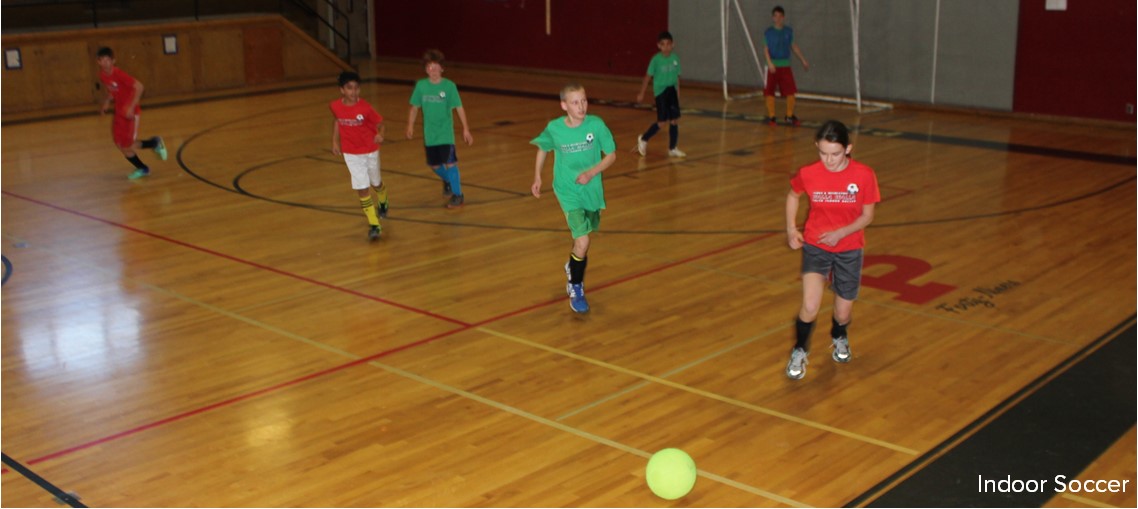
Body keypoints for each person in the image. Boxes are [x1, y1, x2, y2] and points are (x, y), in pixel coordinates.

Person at [784, 120, 879, 380]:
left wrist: (841, 233)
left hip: (849, 249)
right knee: (810, 305)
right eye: (823, 153)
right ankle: (800, 349)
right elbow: (794, 195)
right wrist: (792, 229)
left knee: (843, 312)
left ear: (848, 148)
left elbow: (867, 215)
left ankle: (839, 336)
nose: (829, 160)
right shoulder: (809, 172)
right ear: (817, 147)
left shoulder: (863, 175)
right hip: (816, 246)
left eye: (835, 154)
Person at [531, 83, 617, 313]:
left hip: (591, 189)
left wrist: (591, 172)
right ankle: (576, 287)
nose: (581, 106)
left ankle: (572, 265)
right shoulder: (555, 128)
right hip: (567, 190)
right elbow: (543, 148)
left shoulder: (596, 125)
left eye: (584, 100)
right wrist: (537, 176)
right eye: (575, 102)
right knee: (583, 241)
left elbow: (611, 155)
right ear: (564, 105)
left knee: (583, 241)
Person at [405, 49, 474, 209]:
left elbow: (459, 107)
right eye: (430, 68)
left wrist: (466, 129)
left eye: (436, 67)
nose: (433, 71)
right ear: (425, 69)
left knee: (450, 163)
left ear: (442, 68)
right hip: (430, 135)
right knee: (434, 165)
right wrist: (410, 125)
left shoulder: (449, 86)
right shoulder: (421, 86)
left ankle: (458, 195)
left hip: (445, 134)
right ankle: (448, 180)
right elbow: (414, 108)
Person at [330, 71, 388, 241]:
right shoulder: (335, 106)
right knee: (362, 187)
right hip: (351, 153)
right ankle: (374, 224)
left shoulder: (365, 108)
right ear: (342, 90)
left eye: (356, 88)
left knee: (375, 182)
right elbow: (337, 121)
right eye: (349, 88)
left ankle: (383, 197)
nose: (353, 92)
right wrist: (335, 141)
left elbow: (381, 124)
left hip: (370, 150)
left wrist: (380, 134)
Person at [96, 47, 166, 180]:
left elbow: (139, 86)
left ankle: (148, 157)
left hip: (131, 114)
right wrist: (106, 102)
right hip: (119, 112)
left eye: (108, 60)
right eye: (102, 60)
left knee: (127, 145)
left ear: (113, 61)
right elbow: (112, 89)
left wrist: (130, 107)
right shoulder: (103, 75)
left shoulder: (119, 73)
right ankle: (151, 149)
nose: (105, 63)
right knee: (120, 144)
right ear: (98, 62)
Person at [635, 31, 686, 158]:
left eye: (668, 44)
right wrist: (641, 93)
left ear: (673, 45)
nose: (666, 47)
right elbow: (647, 77)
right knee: (662, 122)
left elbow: (677, 77)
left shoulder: (675, 59)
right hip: (661, 92)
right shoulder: (656, 60)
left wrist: (677, 92)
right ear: (659, 46)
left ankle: (672, 148)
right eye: (663, 44)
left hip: (672, 91)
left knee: (674, 120)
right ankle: (644, 139)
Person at [763, 6, 810, 127]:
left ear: (783, 18)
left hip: (785, 65)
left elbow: (794, 46)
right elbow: (766, 49)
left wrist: (803, 60)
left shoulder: (788, 31)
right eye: (775, 16)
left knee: (790, 91)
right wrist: (769, 63)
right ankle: (772, 116)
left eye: (780, 16)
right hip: (773, 65)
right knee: (769, 91)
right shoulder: (768, 33)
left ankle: (789, 115)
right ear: (773, 18)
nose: (778, 19)